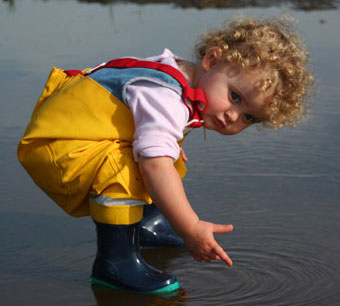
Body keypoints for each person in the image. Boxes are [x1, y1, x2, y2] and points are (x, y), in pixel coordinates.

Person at [17, 16, 314, 294]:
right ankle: (115, 263)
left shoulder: (180, 72)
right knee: (145, 165)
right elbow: (155, 167)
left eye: (249, 117)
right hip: (58, 147)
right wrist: (191, 227)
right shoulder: (168, 98)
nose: (233, 116)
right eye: (235, 96)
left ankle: (144, 226)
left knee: (166, 155)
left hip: (70, 131)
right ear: (211, 60)